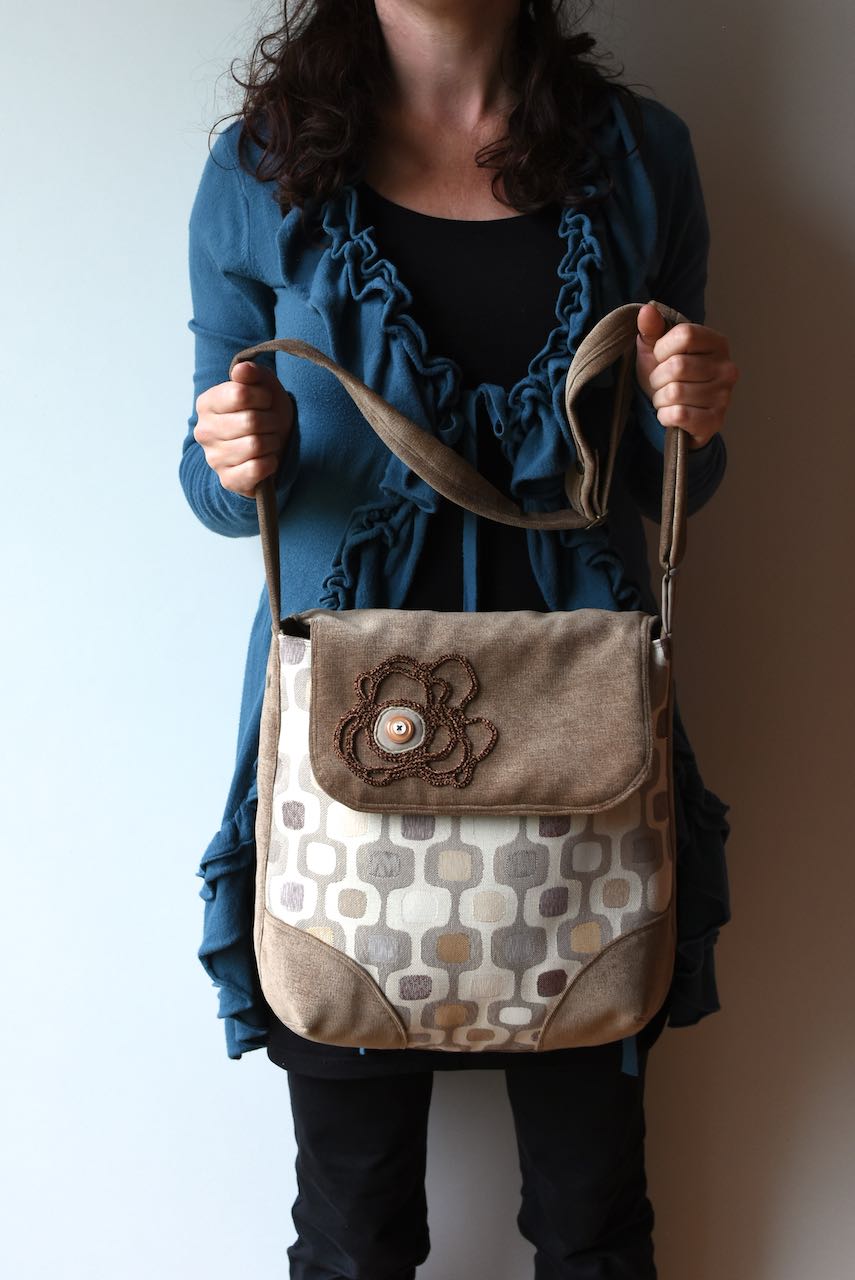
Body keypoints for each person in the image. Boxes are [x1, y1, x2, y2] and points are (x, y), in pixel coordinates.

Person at [181, 2, 739, 1275]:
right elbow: (216, 491)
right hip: (343, 771)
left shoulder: (641, 159)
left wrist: (692, 420)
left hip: (582, 758)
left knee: (595, 1225)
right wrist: (231, 452)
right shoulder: (262, 169)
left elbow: (670, 489)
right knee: (353, 1227)